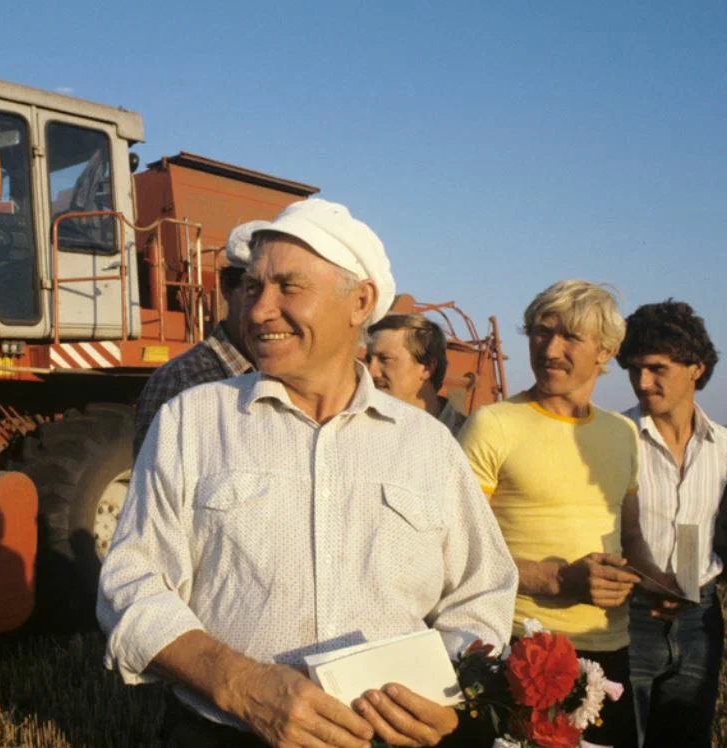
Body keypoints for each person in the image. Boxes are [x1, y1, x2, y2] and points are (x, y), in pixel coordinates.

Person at [100, 198, 518, 748]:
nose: (258, 310)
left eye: (288, 288)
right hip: (227, 732)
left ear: (360, 302)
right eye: (253, 288)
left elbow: (482, 595)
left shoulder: (428, 446)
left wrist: (447, 694)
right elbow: (130, 584)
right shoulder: (193, 420)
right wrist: (239, 684)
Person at [458, 279, 643, 748]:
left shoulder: (623, 433)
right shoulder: (493, 424)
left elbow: (633, 541)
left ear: (606, 351)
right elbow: (456, 553)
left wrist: (657, 585)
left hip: (610, 654)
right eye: (541, 332)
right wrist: (559, 580)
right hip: (520, 650)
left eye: (570, 337)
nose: (550, 349)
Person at [615, 299, 726, 747]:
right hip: (630, 616)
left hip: (700, 620)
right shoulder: (614, 439)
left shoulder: (723, 448)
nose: (643, 382)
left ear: (696, 367)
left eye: (657, 368)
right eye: (634, 369)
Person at [131, 221, 261, 460]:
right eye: (254, 290)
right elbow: (154, 490)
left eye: (286, 289)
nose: (269, 309)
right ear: (226, 289)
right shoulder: (182, 383)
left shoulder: (286, 375)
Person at [365, 314, 467, 435]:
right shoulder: (360, 428)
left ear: (427, 367)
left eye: (385, 359)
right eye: (368, 360)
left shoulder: (467, 440)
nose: (371, 372)